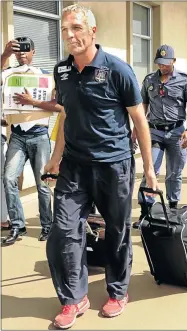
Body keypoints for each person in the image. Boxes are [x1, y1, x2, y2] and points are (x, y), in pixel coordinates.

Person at [43, 5, 158, 328]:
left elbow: (139, 120)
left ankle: (118, 291)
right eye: (65, 30)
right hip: (74, 167)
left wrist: (149, 170)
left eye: (77, 28)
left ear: (93, 32)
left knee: (117, 232)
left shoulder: (118, 70)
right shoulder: (62, 71)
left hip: (114, 165)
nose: (70, 35)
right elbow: (66, 115)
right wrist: (55, 158)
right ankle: (73, 297)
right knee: (64, 231)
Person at [1, 37, 60, 245]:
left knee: (43, 184)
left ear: (34, 52)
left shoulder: (46, 76)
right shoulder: (9, 74)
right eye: (19, 52)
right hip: (17, 134)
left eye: (26, 51)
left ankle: (47, 226)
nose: (22, 54)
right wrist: (5, 55)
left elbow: (60, 106)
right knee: (9, 178)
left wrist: (33, 102)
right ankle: (17, 226)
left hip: (39, 135)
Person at [135, 44, 187, 212]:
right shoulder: (150, 80)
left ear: (174, 61)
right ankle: (145, 211)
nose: (162, 66)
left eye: (165, 63)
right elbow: (143, 105)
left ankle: (172, 208)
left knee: (174, 173)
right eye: (159, 63)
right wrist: (136, 128)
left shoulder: (185, 81)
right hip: (155, 132)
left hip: (177, 133)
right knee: (151, 170)